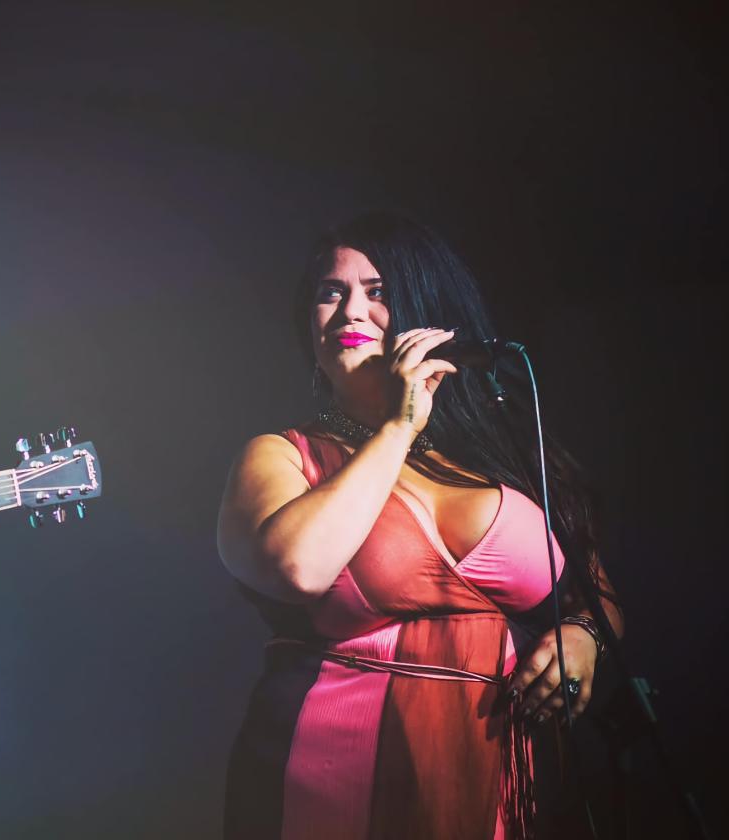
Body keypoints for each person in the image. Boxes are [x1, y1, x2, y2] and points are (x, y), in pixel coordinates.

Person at [216, 211, 623, 839]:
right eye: (333, 292)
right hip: (333, 776)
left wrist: (584, 636)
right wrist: (399, 426)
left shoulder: (504, 453)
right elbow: (297, 566)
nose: (351, 311)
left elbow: (591, 588)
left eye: (378, 292)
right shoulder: (283, 453)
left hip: (499, 777)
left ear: (428, 307)